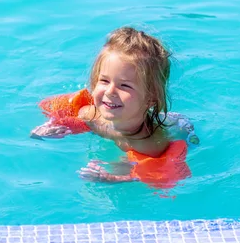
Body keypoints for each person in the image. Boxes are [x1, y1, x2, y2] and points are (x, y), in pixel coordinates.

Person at [30, 27, 198, 188]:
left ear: (151, 98)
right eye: (104, 81)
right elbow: (77, 123)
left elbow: (149, 174)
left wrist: (113, 179)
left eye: (124, 86)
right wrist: (49, 130)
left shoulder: (149, 144)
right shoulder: (92, 115)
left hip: (175, 128)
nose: (110, 92)